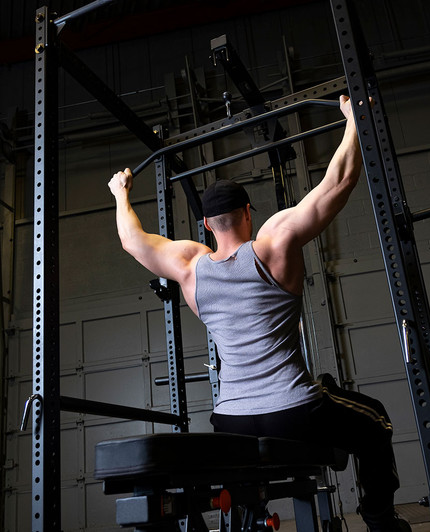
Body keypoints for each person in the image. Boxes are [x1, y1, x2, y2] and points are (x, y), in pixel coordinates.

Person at [108, 95, 410, 532]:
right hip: (294, 413)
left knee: (324, 392)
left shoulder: (191, 267)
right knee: (376, 421)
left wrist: (121, 193)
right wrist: (354, 122)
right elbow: (339, 181)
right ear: (248, 213)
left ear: (208, 225)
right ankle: (381, 521)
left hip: (231, 421)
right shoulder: (272, 245)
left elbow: (132, 240)